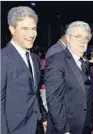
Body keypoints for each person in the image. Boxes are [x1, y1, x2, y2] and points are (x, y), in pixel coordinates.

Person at [1, 6, 47, 134]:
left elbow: (35, 93)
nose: (31, 34)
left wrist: (44, 117)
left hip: (37, 127)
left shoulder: (35, 58)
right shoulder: (3, 58)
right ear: (12, 30)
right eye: (25, 29)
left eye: (33, 29)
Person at [45, 21, 93, 134]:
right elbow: (54, 101)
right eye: (78, 36)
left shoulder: (85, 61)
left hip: (85, 126)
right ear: (68, 37)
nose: (83, 40)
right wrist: (64, 130)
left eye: (86, 38)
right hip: (67, 128)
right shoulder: (56, 61)